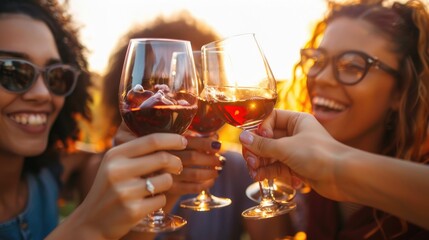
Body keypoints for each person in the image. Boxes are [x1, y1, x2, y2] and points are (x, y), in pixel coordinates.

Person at [239, 0, 429, 239]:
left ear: (401, 89)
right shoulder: (307, 184)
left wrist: (333, 167)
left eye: (352, 65)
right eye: (317, 60)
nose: (322, 78)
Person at [0, 1, 186, 239]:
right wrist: (89, 226)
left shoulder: (51, 171)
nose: (43, 93)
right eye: (13, 72)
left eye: (55, 76)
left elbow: (92, 158)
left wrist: (159, 186)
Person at [98, 12, 286, 240]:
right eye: (159, 84)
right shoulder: (109, 171)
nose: (195, 96)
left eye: (204, 80)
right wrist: (158, 195)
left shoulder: (235, 169)